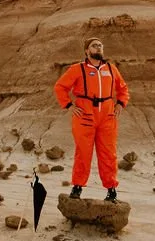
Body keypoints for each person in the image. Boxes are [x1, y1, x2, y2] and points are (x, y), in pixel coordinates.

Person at [54, 37, 130, 202]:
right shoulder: (77, 69)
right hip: (85, 115)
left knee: (108, 154)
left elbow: (123, 89)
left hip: (108, 116)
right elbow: (60, 87)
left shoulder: (111, 69)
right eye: (94, 46)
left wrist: (120, 104)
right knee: (83, 152)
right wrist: (69, 106)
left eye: (100, 45)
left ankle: (111, 190)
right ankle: (77, 187)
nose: (98, 48)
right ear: (87, 51)